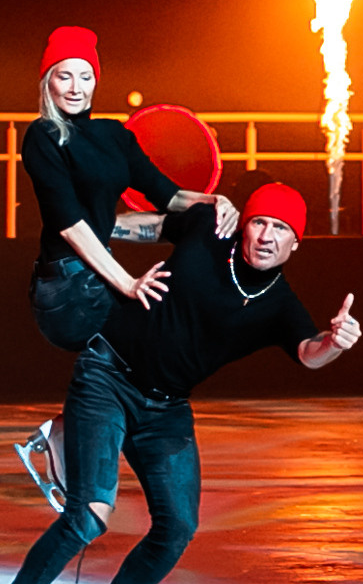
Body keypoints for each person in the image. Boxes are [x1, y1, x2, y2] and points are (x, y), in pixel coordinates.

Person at [0, 181, 363, 584]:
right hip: (108, 375)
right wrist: (83, 225)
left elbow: (308, 353)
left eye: (281, 229)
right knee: (89, 514)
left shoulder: (278, 304)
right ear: (245, 222)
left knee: (178, 525)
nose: (266, 235)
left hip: (166, 407)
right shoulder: (207, 231)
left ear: (295, 244)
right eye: (260, 221)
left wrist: (334, 342)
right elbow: (129, 224)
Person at [16, 27, 235, 495]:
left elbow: (169, 196)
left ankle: (67, 433)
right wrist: (128, 284)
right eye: (63, 76)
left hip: (100, 277)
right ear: (47, 83)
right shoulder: (41, 137)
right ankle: (68, 433)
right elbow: (71, 226)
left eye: (85, 76)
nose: (75, 87)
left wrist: (217, 201)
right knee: (151, 339)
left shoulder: (114, 136)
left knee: (198, 229)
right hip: (65, 285)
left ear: (96, 81)